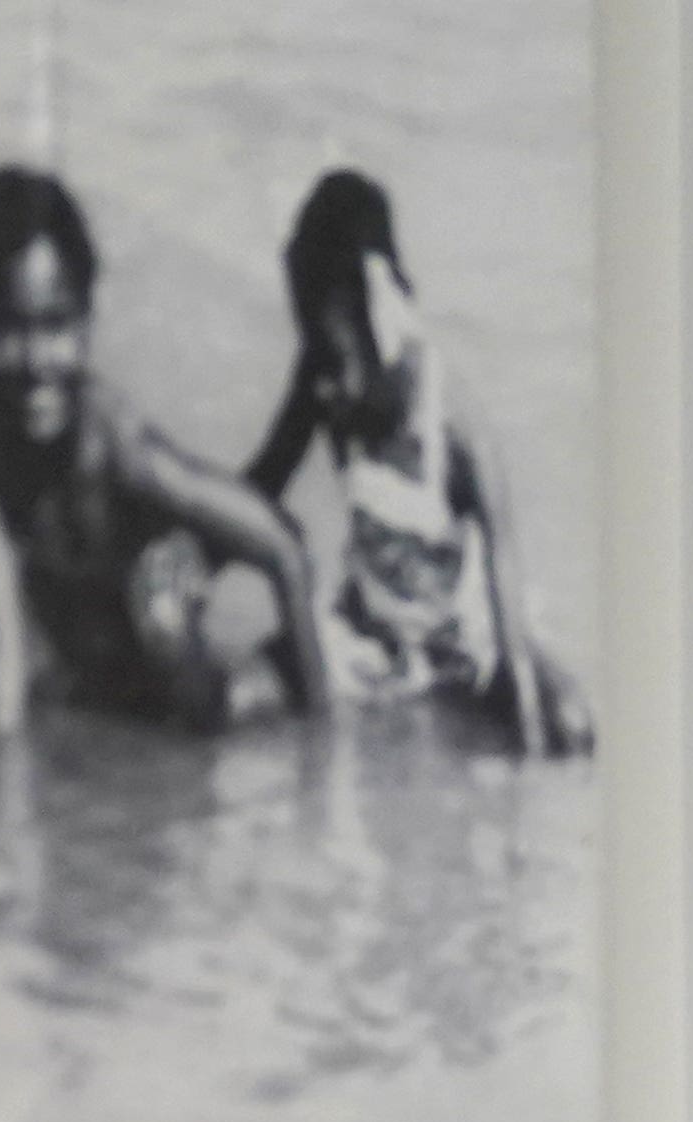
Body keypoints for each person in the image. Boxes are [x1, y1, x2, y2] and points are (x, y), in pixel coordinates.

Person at [0, 165, 327, 737]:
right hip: (85, 656)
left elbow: (284, 548)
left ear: (88, 318)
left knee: (162, 604)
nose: (37, 359)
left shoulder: (115, 441)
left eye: (57, 326)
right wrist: (4, 790)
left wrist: (326, 741)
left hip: (162, 655)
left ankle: (207, 739)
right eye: (14, 328)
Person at [238, 169, 593, 757]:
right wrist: (189, 546)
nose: (321, 386)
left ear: (377, 315)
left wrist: (525, 722)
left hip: (467, 640)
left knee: (573, 726)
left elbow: (501, 555)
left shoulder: (446, 416)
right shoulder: (323, 379)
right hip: (370, 633)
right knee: (238, 697)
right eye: (312, 353)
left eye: (330, 356)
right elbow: (262, 485)